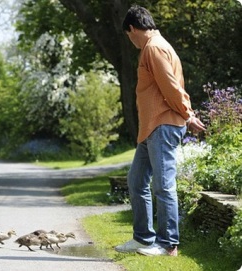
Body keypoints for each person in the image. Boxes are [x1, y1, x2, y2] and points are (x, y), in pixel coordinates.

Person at [115, 5, 206, 256]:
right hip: (151, 127)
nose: (131, 40)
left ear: (132, 29)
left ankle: (168, 245)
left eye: (129, 35)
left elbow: (171, 88)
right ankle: (143, 239)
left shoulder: (153, 48)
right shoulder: (153, 47)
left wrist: (188, 115)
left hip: (163, 125)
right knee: (136, 181)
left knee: (163, 186)